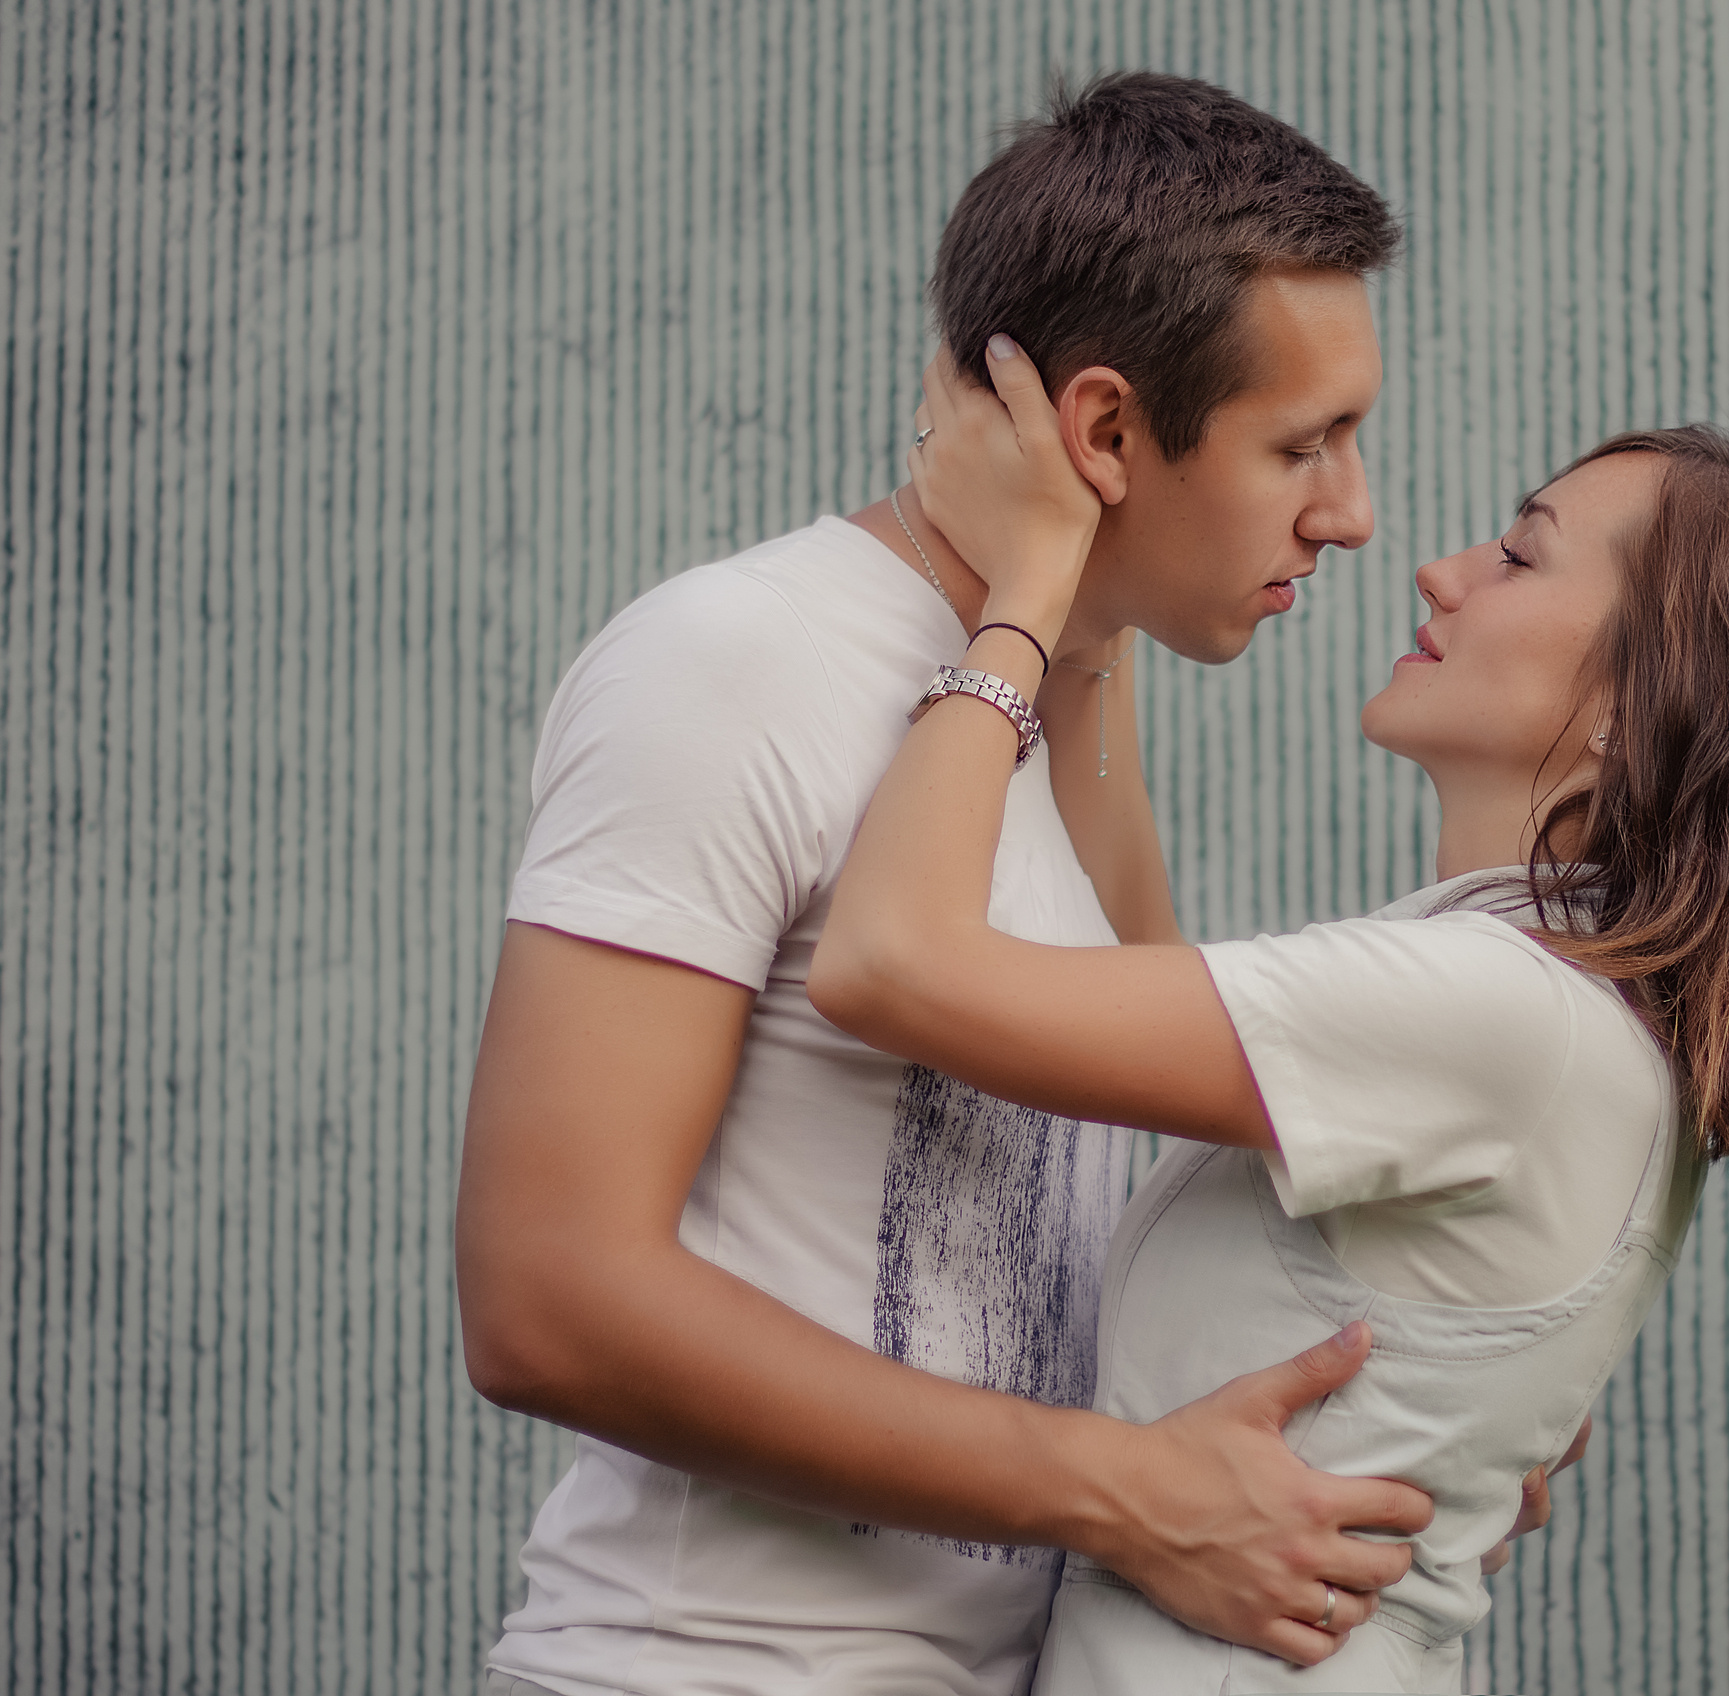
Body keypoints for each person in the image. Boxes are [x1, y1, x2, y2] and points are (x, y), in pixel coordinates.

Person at [458, 73, 1472, 1696]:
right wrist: (1128, 1495)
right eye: (1308, 443)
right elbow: (544, 1299)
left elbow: (1188, 1149)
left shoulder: (1055, 700)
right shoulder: (731, 664)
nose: (1353, 516)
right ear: (1103, 431)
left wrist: (1455, 1414)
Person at [808, 343, 1729, 1691]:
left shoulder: (1503, 1020)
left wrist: (1023, 597)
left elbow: (888, 964)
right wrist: (1096, 590)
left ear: (1643, 709)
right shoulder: (1552, 1009)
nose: (1441, 570)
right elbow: (1145, 960)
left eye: (1521, 556)